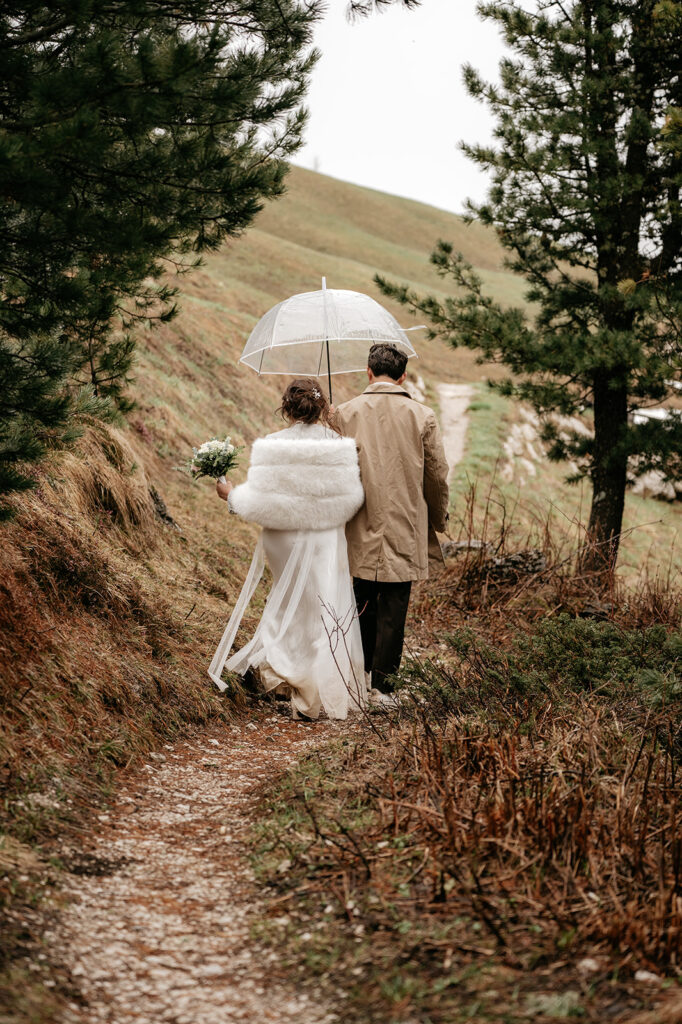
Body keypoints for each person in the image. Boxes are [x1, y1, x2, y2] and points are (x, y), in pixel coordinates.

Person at [210, 378, 365, 721]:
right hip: (323, 535)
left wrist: (230, 496)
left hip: (283, 538)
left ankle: (291, 673)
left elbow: (259, 503)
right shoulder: (339, 445)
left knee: (289, 602)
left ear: (286, 408)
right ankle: (313, 683)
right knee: (321, 603)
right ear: (323, 407)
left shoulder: (271, 446)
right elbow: (353, 500)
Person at [334, 343, 450, 700]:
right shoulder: (423, 416)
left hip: (359, 518)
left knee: (362, 598)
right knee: (395, 605)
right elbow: (437, 475)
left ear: (369, 372)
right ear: (402, 376)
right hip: (406, 521)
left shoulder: (343, 413)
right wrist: (439, 515)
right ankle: (383, 689)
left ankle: (360, 673)